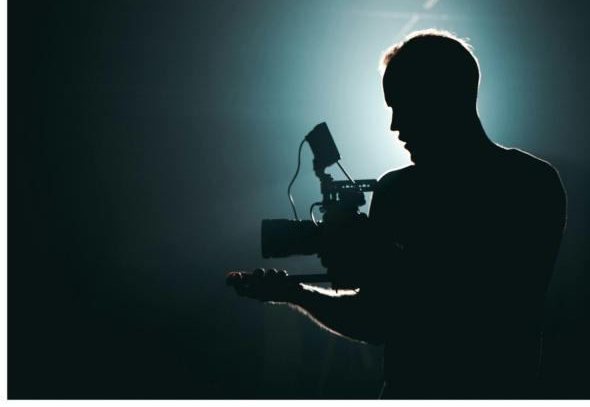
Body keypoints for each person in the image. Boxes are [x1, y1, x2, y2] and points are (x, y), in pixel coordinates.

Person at [228, 30, 566, 399]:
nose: (394, 126)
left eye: (401, 105)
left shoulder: (412, 191)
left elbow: (473, 302)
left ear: (442, 98)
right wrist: (297, 292)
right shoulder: (534, 181)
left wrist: (373, 256)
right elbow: (382, 315)